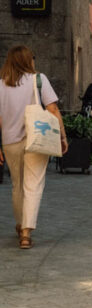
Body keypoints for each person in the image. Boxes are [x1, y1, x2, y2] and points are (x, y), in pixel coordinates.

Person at [0, 45, 68, 248]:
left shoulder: (1, 85)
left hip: (10, 141)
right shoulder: (39, 79)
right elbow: (53, 108)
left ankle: (20, 223)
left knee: (17, 185)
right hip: (38, 138)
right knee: (33, 185)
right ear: (28, 60)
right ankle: (26, 234)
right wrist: (62, 137)